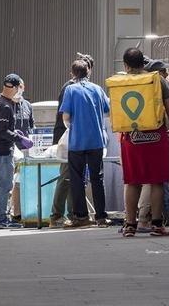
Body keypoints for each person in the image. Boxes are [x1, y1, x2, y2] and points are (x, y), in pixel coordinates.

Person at [118, 48, 169, 238]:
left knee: (132, 181)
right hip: (156, 135)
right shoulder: (157, 80)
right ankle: (156, 225)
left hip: (131, 137)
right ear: (143, 64)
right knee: (156, 181)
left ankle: (130, 225)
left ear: (126, 65)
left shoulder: (120, 82)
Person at [60, 59, 111, 228]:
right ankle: (101, 217)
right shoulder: (97, 89)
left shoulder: (70, 90)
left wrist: (73, 127)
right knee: (97, 179)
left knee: (77, 179)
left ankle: (81, 217)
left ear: (73, 73)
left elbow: (66, 117)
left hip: (77, 142)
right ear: (88, 72)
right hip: (96, 141)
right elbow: (107, 111)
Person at [0, 74, 33, 229]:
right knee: (4, 186)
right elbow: (1, 131)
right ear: (15, 87)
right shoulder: (5, 105)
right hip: (2, 152)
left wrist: (14, 132)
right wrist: (19, 138)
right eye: (20, 88)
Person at [51, 53, 94, 227]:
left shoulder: (81, 87)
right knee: (67, 176)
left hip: (79, 136)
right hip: (68, 136)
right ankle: (57, 215)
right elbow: (65, 116)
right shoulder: (69, 88)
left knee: (75, 177)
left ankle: (73, 212)